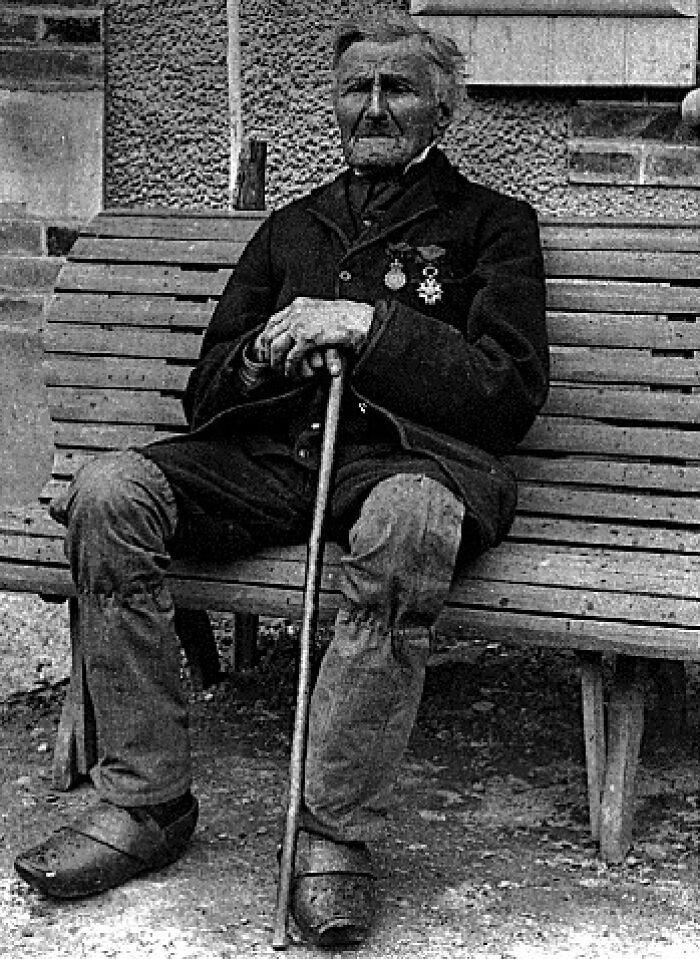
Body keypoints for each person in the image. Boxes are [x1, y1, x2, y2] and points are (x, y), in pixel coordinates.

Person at [14, 11, 549, 948]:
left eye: (399, 89)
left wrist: (366, 327)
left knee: (414, 521)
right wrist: (264, 351)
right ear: (335, 104)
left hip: (399, 463)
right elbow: (205, 392)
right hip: (271, 462)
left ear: (444, 108)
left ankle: (332, 834)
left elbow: (506, 394)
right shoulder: (290, 228)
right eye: (357, 89)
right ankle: (144, 799)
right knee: (110, 494)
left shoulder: (495, 227)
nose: (374, 108)